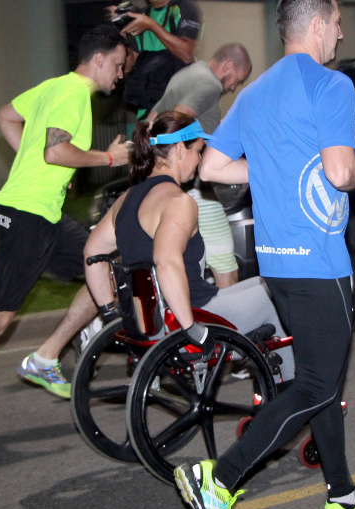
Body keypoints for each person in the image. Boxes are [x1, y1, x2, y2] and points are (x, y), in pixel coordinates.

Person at [174, 0, 355, 509]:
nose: (342, 34)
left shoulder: (253, 93)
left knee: (322, 381)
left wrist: (273, 166)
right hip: (322, 264)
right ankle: (219, 480)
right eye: (339, 22)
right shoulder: (331, 86)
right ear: (318, 24)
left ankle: (343, 499)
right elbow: (342, 170)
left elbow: (212, 169)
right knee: (319, 382)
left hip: (276, 264)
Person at [0, 26, 131, 447]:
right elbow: (56, 150)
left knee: (105, 269)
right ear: (98, 59)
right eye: (118, 64)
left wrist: (39, 170)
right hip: (25, 217)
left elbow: (4, 116)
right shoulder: (75, 95)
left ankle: (45, 357)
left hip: (44, 216)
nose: (120, 74)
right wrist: (108, 156)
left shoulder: (52, 86)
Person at [83, 111, 295, 385]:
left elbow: (92, 253)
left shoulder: (126, 200)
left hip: (151, 321)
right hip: (190, 316)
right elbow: (166, 261)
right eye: (198, 151)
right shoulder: (177, 201)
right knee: (279, 296)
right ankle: (293, 392)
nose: (199, 160)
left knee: (262, 284)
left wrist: (110, 313)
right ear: (180, 149)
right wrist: (191, 328)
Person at [148, 43, 253, 288]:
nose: (232, 87)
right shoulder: (210, 83)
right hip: (196, 187)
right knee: (225, 266)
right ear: (227, 66)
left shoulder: (186, 74)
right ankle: (228, 322)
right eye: (236, 80)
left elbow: (152, 119)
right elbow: (177, 119)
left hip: (165, 183)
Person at [108, 0, 202, 120]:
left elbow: (187, 54)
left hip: (177, 108)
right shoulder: (142, 16)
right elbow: (127, 67)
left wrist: (151, 25)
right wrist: (122, 32)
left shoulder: (184, 7)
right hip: (147, 107)